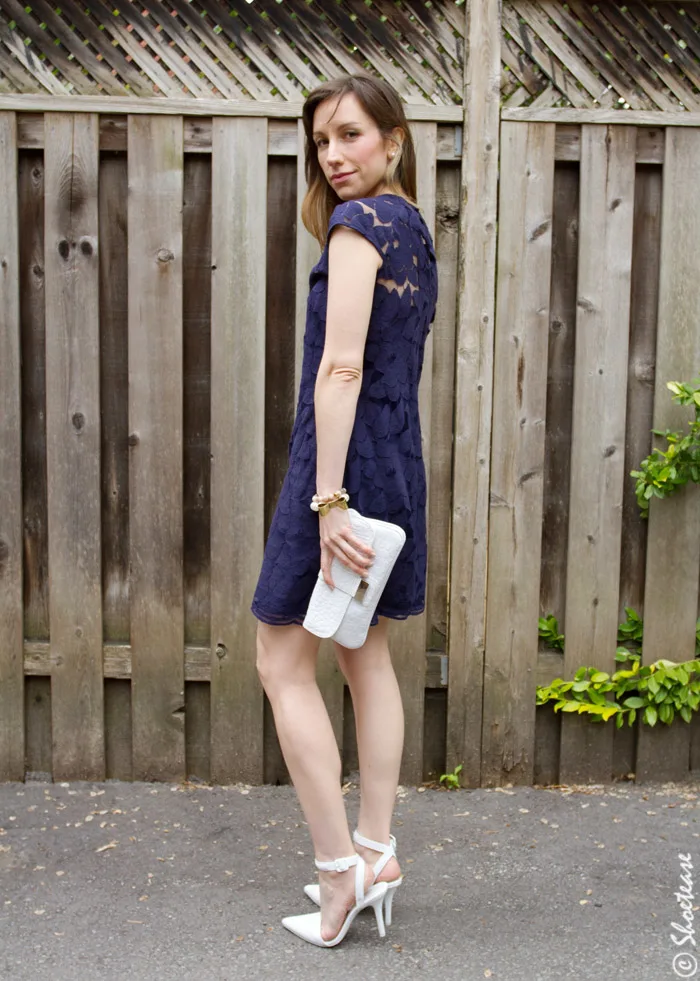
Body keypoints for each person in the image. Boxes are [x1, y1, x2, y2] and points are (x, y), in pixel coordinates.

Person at [251, 72, 438, 947]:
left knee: (280, 659)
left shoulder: (359, 226)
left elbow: (342, 368)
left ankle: (339, 876)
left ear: (394, 140)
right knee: (367, 659)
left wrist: (327, 498)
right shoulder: (414, 232)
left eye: (352, 135)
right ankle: (377, 849)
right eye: (323, 141)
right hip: (397, 464)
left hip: (345, 470)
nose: (334, 155)